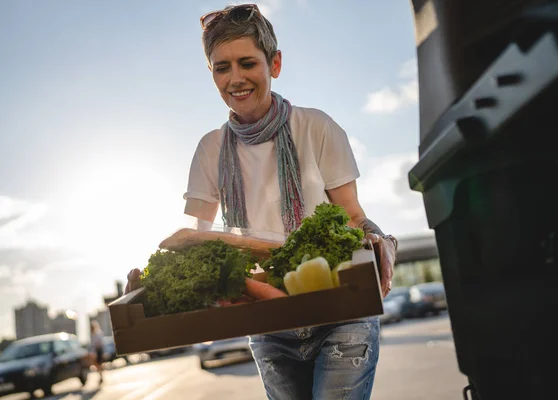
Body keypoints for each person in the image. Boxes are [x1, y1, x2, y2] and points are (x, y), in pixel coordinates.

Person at [126, 4, 397, 399]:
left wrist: (383, 242)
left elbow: (353, 217)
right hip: (270, 326)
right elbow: (197, 246)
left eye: (247, 63)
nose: (235, 79)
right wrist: (158, 287)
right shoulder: (210, 150)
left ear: (275, 63)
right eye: (222, 68)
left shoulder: (316, 126)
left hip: (340, 313)